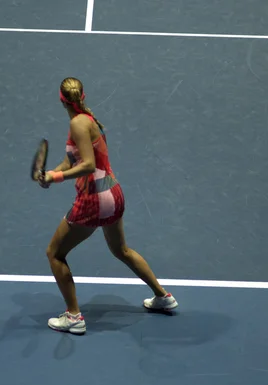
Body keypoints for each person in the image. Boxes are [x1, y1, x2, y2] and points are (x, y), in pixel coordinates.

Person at [38, 77, 178, 334]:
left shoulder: (78, 123)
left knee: (54, 253)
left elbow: (88, 165)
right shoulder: (87, 120)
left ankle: (74, 317)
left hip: (93, 201)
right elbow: (73, 161)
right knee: (121, 250)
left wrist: (56, 177)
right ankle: (163, 296)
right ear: (82, 96)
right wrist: (51, 174)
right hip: (113, 195)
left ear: (61, 100)